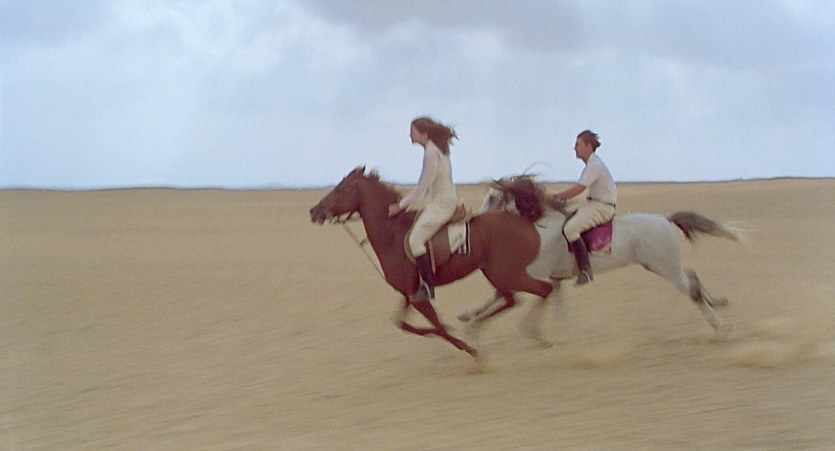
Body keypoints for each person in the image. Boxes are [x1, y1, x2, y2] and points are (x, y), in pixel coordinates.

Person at [388, 116, 461, 302]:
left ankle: (428, 286)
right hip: (440, 201)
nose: (409, 135)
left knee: (415, 240)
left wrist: (399, 206)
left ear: (424, 134)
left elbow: (422, 189)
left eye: (412, 132)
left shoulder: (431, 153)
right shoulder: (436, 149)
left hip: (442, 204)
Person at [547, 130, 617, 285]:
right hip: (594, 204)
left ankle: (586, 270)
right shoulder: (592, 165)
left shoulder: (594, 166)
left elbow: (578, 189)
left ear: (589, 146)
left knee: (570, 229)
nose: (574, 148)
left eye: (578, 145)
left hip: (602, 207)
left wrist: (556, 197)